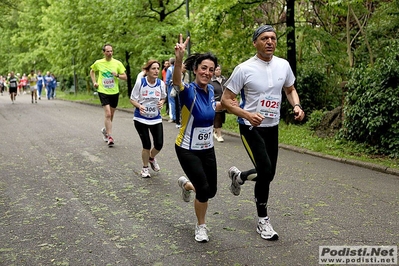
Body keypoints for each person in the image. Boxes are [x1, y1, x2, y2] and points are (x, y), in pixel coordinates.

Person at [221, 25, 305, 241]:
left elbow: (290, 89)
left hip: (272, 127)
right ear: (255, 42)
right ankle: (263, 221)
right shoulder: (244, 69)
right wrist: (247, 115)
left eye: (273, 38)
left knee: (269, 174)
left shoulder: (283, 65)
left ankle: (239, 176)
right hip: (250, 127)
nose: (270, 42)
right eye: (265, 38)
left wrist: (296, 106)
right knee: (265, 172)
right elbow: (226, 100)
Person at [172, 34, 226, 243]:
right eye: (203, 68)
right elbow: (177, 81)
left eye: (211, 70)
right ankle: (201, 226)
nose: (207, 72)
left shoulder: (211, 90)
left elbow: (213, 108)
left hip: (207, 148)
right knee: (203, 189)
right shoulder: (189, 91)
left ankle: (186, 184)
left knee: (210, 190)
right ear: (195, 70)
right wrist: (178, 60)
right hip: (186, 148)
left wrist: (233, 106)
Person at [130, 60, 166, 178]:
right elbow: (132, 99)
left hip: (155, 118)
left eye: (157, 69)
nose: (156, 71)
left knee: (159, 144)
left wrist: (161, 102)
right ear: (147, 71)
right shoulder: (141, 82)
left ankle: (151, 158)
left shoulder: (161, 84)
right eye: (153, 68)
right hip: (141, 119)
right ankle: (145, 168)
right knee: (147, 144)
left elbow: (163, 97)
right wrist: (139, 106)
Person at [90, 43, 127, 147]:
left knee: (111, 115)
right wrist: (94, 82)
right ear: (104, 52)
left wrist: (118, 75)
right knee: (108, 114)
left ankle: (105, 130)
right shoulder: (98, 63)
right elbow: (92, 72)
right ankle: (109, 136)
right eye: (108, 51)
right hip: (103, 90)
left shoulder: (117, 63)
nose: (110, 53)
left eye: (111, 51)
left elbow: (125, 77)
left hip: (114, 91)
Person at [209, 65, 227, 142]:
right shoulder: (210, 81)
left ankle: (215, 131)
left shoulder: (224, 80)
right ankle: (219, 135)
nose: (218, 71)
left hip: (224, 102)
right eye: (216, 70)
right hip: (215, 102)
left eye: (219, 69)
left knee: (222, 118)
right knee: (218, 117)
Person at [165, 57, 176, 123]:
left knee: (171, 102)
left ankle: (172, 117)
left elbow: (167, 79)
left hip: (170, 87)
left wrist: (166, 85)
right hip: (177, 87)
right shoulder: (177, 68)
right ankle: (177, 116)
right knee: (177, 102)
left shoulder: (170, 69)